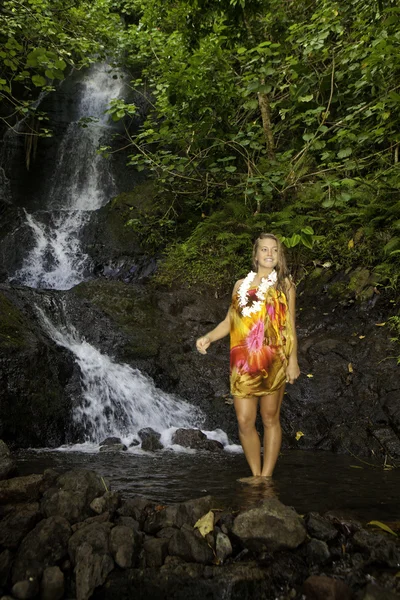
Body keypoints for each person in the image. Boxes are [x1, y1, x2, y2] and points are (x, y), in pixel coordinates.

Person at [196, 233, 300, 482]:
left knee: (269, 417)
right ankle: (255, 474)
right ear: (255, 255)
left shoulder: (285, 285)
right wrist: (209, 337)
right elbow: (229, 321)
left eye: (274, 250)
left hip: (273, 359)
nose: (269, 254)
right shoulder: (240, 285)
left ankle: (266, 476)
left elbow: (290, 326)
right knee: (244, 420)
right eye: (264, 250)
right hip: (242, 362)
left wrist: (293, 360)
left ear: (279, 255)